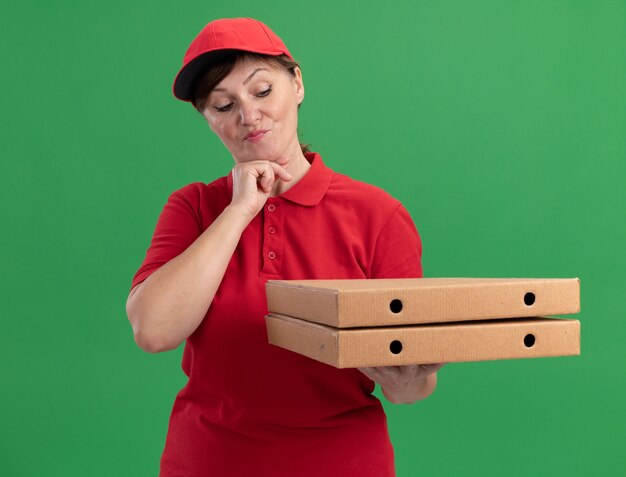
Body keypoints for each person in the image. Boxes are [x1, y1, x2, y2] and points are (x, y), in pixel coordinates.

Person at [126, 17, 443, 477]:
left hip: (343, 464)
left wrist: (409, 379)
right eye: (222, 104)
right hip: (209, 463)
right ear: (208, 119)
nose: (247, 115)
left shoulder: (377, 215)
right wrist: (239, 210)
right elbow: (154, 330)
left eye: (261, 91)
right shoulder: (194, 207)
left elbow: (410, 385)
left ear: (296, 84)